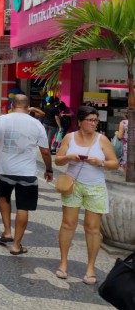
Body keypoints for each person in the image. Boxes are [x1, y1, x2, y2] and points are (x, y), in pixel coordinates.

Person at [0, 94, 53, 256]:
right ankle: (16, 245)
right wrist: (49, 169)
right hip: (27, 172)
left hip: (5, 170)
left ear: (12, 105)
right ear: (28, 107)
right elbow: (46, 151)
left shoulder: (1, 120)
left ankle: (7, 231)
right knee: (23, 206)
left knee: (4, 197)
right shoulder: (36, 124)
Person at [54, 106, 119, 284]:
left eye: (96, 120)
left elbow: (115, 163)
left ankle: (91, 268)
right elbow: (58, 160)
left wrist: (100, 162)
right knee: (68, 224)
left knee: (92, 228)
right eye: (90, 120)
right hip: (73, 185)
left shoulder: (102, 139)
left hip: (95, 187)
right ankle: (63, 263)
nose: (94, 123)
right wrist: (70, 157)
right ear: (80, 121)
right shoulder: (69, 137)